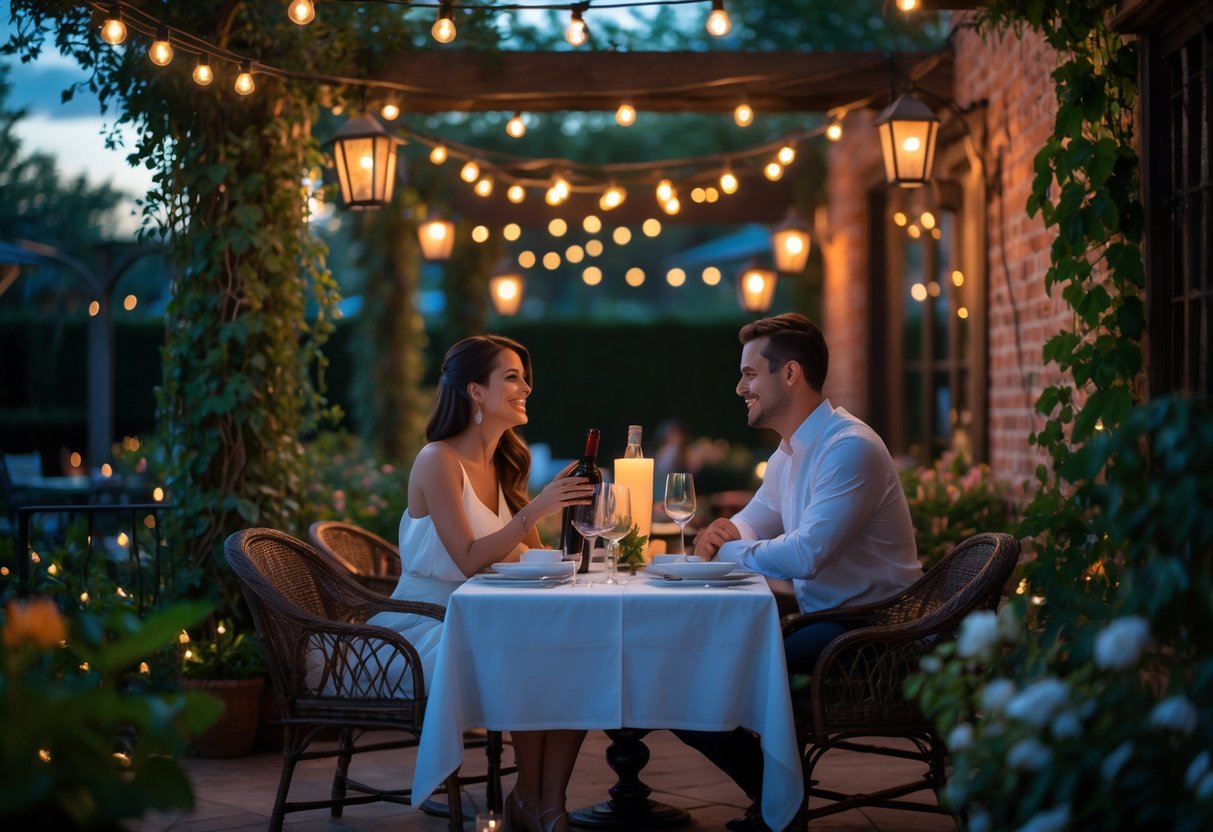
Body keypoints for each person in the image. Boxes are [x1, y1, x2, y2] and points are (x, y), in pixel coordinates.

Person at [681, 313, 923, 831]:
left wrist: (724, 553)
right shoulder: (790, 453)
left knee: (696, 683)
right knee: (693, 677)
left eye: (750, 374)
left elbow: (807, 554)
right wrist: (723, 532)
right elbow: (751, 523)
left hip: (874, 634)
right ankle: (777, 799)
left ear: (789, 374)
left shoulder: (848, 448)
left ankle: (780, 807)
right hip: (830, 624)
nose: (740, 386)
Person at [368, 334, 595, 832]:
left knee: (576, 651)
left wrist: (586, 545)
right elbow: (470, 560)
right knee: (526, 650)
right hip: (426, 626)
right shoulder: (437, 460)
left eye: (524, 377)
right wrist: (537, 508)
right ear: (475, 391)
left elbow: (531, 553)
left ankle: (542, 801)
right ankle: (533, 805)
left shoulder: (507, 462)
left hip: (487, 618)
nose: (526, 387)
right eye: (511, 377)